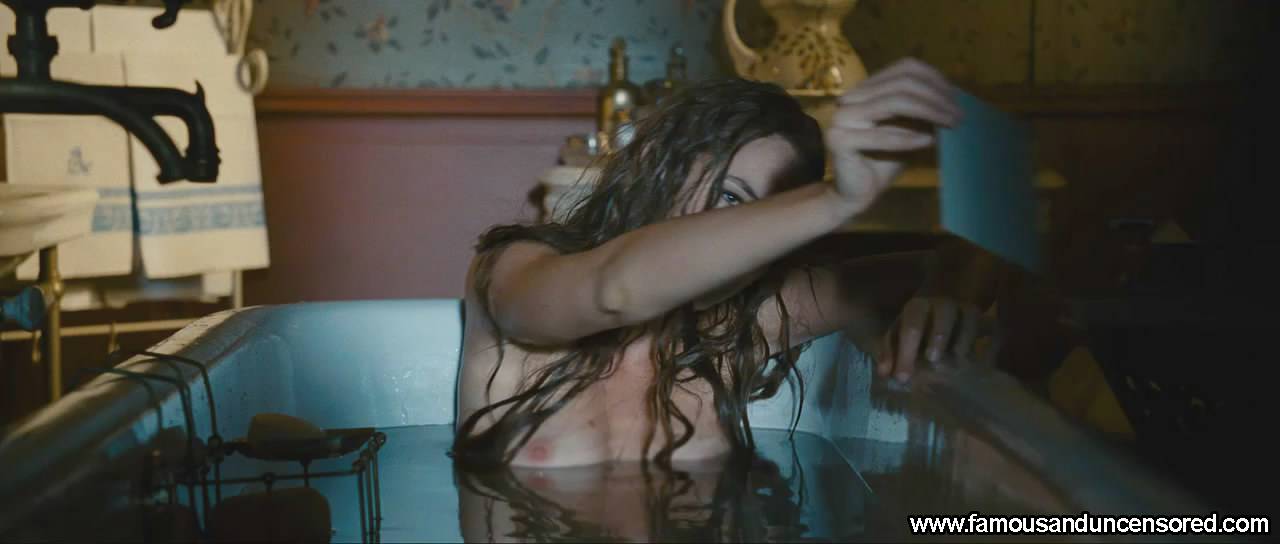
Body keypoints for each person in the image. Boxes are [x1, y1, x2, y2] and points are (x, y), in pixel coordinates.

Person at [452, 58, 1000, 469]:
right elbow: (612, 290)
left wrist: (945, 296)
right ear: (656, 169)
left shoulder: (750, 322)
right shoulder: (512, 271)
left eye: (768, 220)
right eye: (731, 198)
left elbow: (956, 259)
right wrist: (835, 200)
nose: (747, 240)